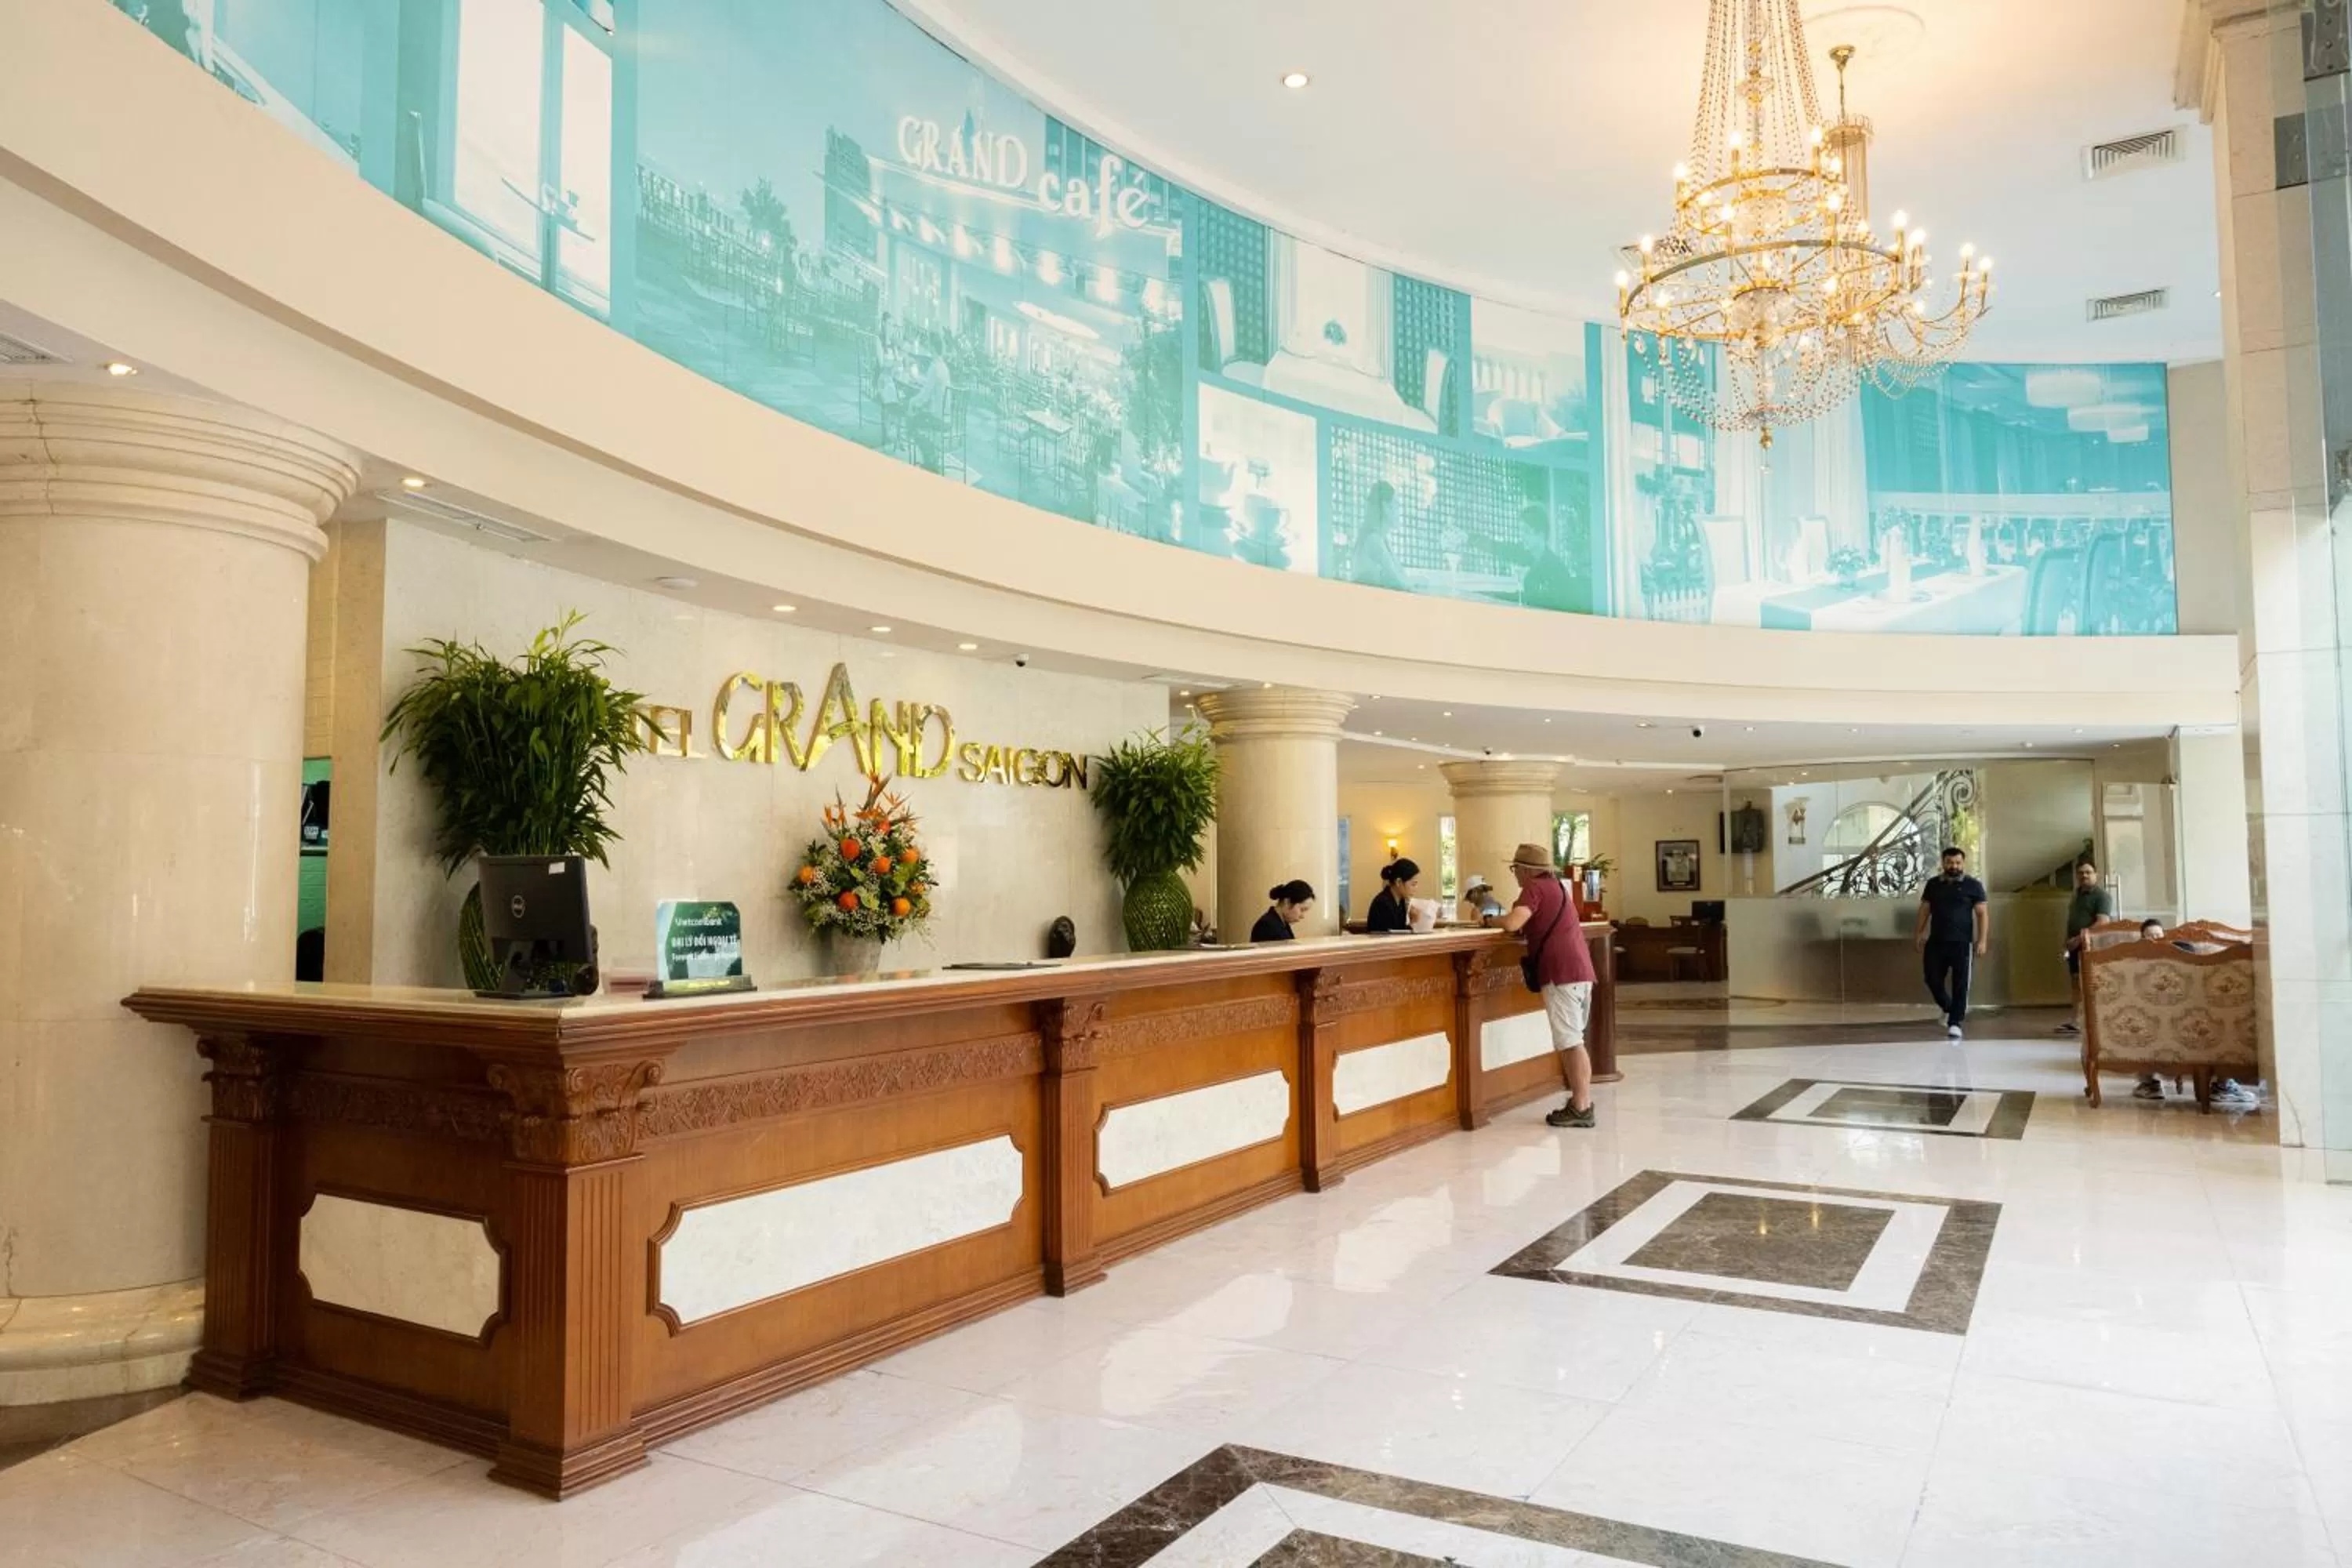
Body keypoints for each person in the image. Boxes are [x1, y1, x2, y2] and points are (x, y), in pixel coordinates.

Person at [1490, 842, 1599, 1129]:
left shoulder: (1534, 888)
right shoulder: (1557, 888)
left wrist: (1489, 919)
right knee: (1574, 1039)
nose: (1514, 874)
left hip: (1561, 974)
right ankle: (1581, 1102)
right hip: (1579, 971)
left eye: (1515, 868)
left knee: (1570, 1041)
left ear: (1525, 870)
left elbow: (1514, 923)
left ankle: (1581, 1106)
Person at [2122, 920, 2259, 1109]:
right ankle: (2152, 1083)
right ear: (2141, 939)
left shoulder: (2187, 956)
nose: (2155, 939)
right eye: (2150, 935)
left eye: (2159, 935)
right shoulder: (2136, 964)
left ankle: (2222, 1086)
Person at [1913, 845, 1988, 1039]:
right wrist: (1919, 932)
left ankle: (1955, 1023)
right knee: (1931, 978)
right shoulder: (1933, 885)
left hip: (1962, 944)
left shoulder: (1974, 885)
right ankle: (1949, 1007)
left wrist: (1982, 940)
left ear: (1963, 864)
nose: (1954, 866)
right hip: (1936, 941)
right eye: (1950, 862)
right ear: (1943, 863)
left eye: (1958, 863)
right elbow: (1925, 909)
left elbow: (1982, 914)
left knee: (1960, 984)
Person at [2058, 859, 2115, 1036]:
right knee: (2076, 982)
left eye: (2088, 872)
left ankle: (2092, 1022)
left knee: (2089, 983)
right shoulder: (2077, 894)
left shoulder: (2101, 896)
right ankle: (2076, 1021)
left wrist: (2080, 938)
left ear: (2095, 875)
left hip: (2091, 946)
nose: (2084, 876)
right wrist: (2068, 941)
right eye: (2081, 873)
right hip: (2075, 946)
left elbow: (2102, 922)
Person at [1512, 504, 1582, 612]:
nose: (1521, 536)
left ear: (1541, 533)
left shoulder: (1557, 568)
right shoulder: (1529, 562)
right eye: (1521, 531)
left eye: (1526, 531)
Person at [1352, 482, 1407, 591]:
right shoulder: (1373, 540)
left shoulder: (1382, 540)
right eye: (1396, 505)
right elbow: (1400, 583)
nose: (1399, 512)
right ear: (1386, 507)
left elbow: (1402, 576)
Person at [1365, 857, 1420, 932]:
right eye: (1413, 884)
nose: (1416, 889)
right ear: (1398, 882)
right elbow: (1391, 935)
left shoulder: (1401, 901)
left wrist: (1412, 921)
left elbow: (1399, 930)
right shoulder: (1382, 903)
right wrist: (1412, 922)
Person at [1251, 880, 1315, 942]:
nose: (1302, 916)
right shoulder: (1266, 926)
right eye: (1302, 910)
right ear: (1287, 902)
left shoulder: (1282, 923)